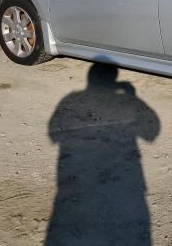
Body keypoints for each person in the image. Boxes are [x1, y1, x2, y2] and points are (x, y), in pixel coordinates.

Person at [46, 63, 160, 245]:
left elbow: (53, 133)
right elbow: (152, 131)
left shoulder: (71, 99)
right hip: (124, 189)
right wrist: (133, 96)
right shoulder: (123, 101)